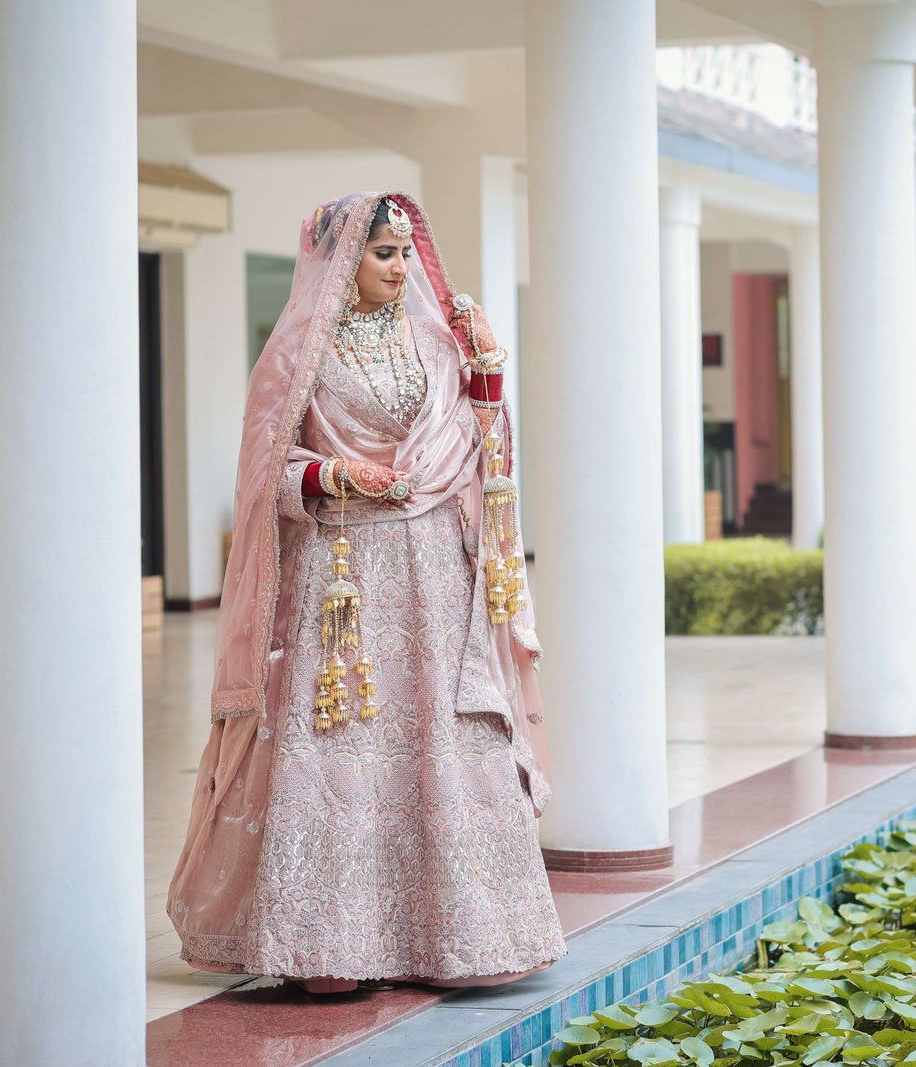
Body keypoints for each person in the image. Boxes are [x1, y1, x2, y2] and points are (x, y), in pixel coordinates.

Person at [166, 192, 565, 993]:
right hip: (341, 578)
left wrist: (488, 372)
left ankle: (459, 937)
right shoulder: (298, 357)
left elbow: (482, 454)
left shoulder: (438, 341)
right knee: (342, 744)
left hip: (435, 576)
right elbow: (262, 477)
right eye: (384, 252)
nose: (400, 266)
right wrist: (333, 474)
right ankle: (328, 948)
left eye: (405, 252)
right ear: (343, 259)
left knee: (443, 735)